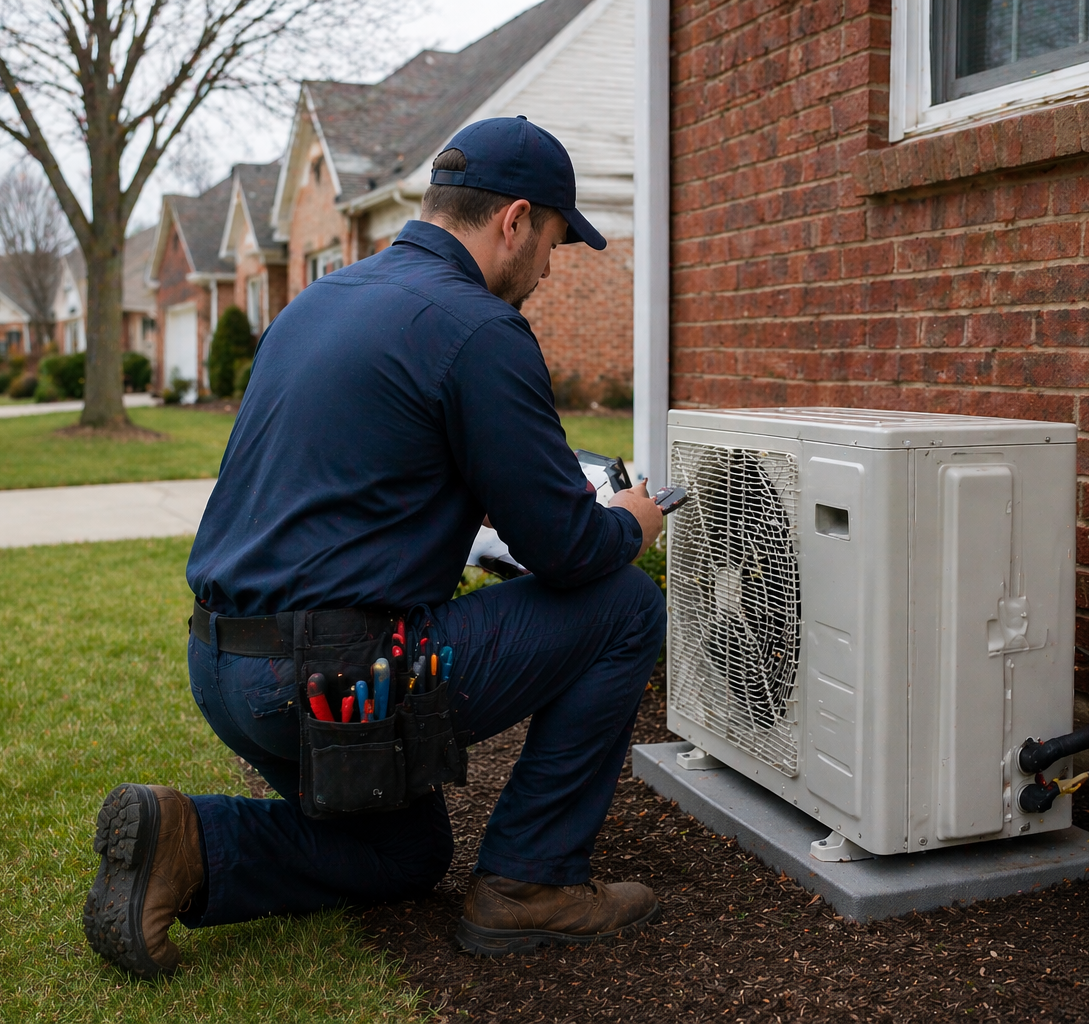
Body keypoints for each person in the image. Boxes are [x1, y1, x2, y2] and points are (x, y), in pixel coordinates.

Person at [82, 116, 667, 977]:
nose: (548, 268)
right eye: (551, 241)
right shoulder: (480, 328)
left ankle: (188, 841)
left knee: (406, 854)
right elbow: (571, 551)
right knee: (625, 605)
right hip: (327, 676)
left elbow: (349, 486)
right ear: (513, 221)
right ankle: (531, 886)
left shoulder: (316, 303)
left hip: (223, 664)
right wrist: (631, 521)